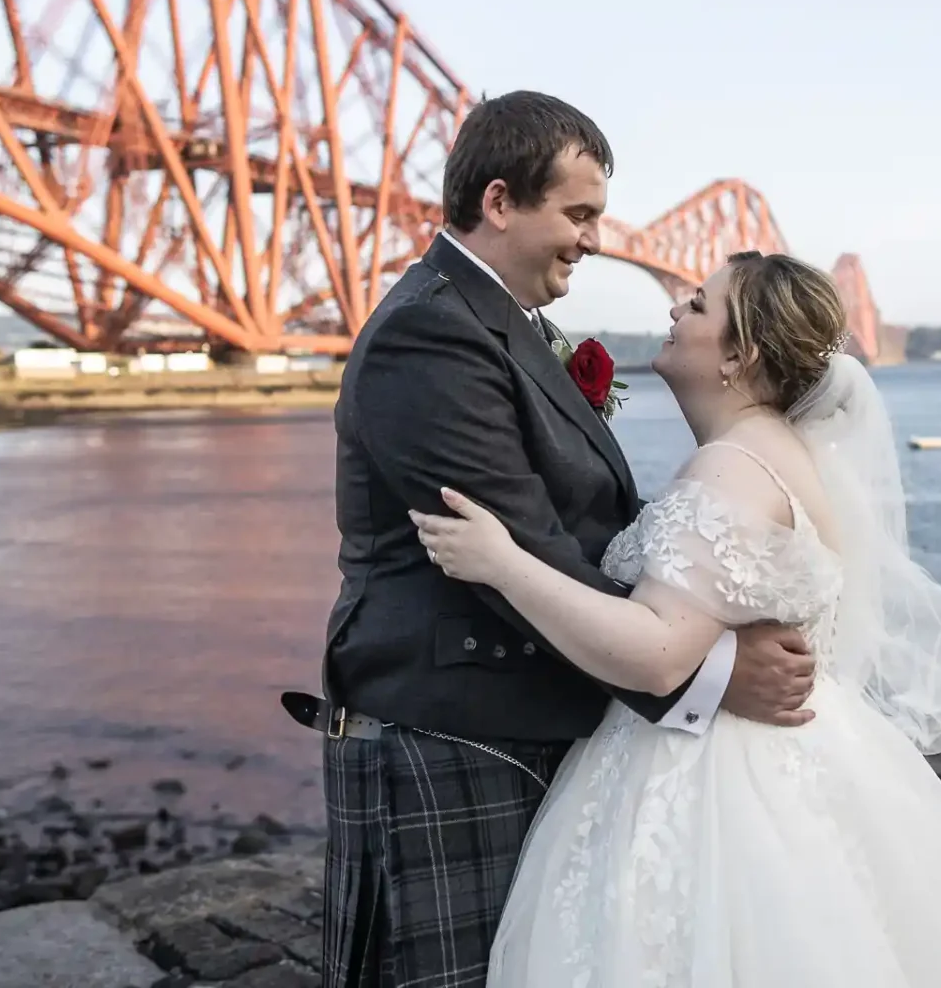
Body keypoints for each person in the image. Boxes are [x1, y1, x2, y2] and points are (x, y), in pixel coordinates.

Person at [287, 92, 820, 988]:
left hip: (506, 727)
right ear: (499, 202)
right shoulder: (432, 332)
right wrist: (710, 668)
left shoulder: (500, 318)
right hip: (447, 738)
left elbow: (583, 529)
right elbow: (523, 552)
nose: (594, 239)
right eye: (577, 214)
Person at [412, 251, 941, 986]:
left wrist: (502, 563)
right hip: (797, 762)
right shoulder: (779, 452)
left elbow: (656, 654)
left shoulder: (731, 470)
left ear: (740, 353)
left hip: (708, 783)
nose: (673, 311)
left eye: (697, 306)